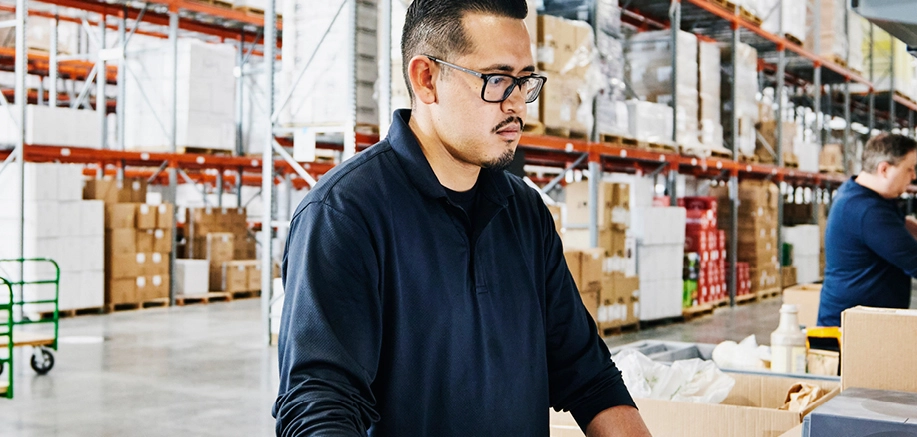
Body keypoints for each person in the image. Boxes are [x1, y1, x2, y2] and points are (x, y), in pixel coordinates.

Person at [272, 1, 651, 435]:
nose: (518, 106)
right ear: (426, 79)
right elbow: (320, 406)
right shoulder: (344, 215)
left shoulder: (525, 213)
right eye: (497, 80)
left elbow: (590, 376)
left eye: (525, 82)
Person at [819, 133, 917, 326]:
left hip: (866, 324)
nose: (914, 176)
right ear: (884, 169)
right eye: (909, 169)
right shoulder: (866, 210)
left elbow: (901, 225)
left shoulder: (862, 194)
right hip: (848, 329)